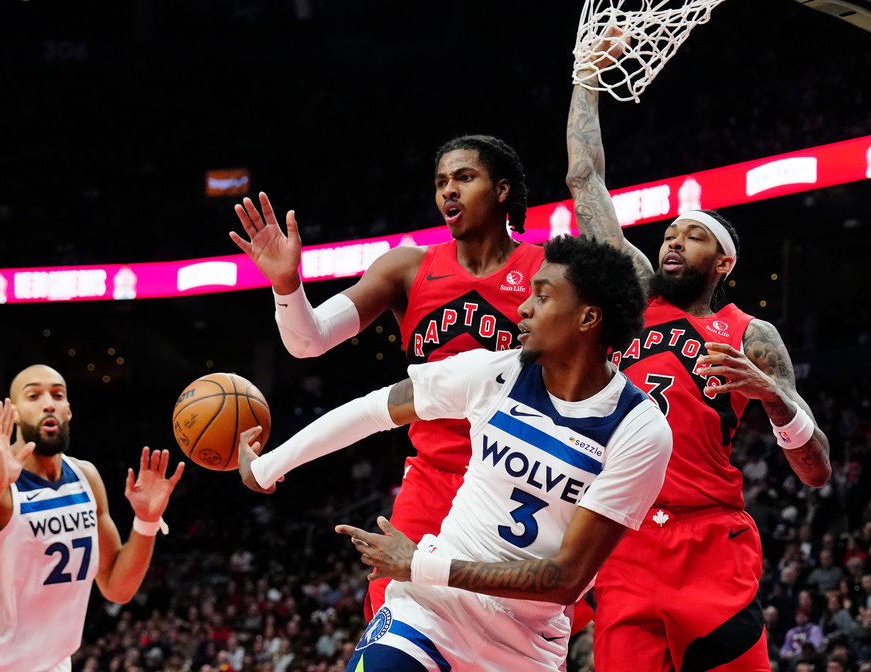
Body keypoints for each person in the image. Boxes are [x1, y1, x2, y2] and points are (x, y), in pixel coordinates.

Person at [239, 235, 673, 671]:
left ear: (588, 318)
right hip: (430, 612)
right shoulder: (494, 372)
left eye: (542, 296)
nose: (523, 308)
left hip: (526, 644)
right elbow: (372, 410)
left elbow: (564, 579)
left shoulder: (639, 429)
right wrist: (267, 466)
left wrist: (422, 564)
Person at [564, 28, 832, 672]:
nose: (673, 242)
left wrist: (771, 396)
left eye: (693, 236)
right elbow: (584, 176)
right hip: (622, 536)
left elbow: (817, 470)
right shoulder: (633, 293)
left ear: (725, 262)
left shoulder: (751, 335)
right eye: (670, 233)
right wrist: (586, 80)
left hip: (709, 536)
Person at [230, 135, 546, 620]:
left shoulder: (549, 273)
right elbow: (308, 341)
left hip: (521, 479)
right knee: (394, 624)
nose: (449, 192)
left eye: (465, 178)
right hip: (432, 477)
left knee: (513, 632)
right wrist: (286, 285)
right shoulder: (408, 267)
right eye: (441, 182)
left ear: (502, 190)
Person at [0, 364, 185, 672]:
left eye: (57, 395)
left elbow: (116, 588)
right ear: (13, 413)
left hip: (50, 665)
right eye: (33, 395)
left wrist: (146, 521)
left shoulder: (86, 478)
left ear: (68, 411)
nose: (48, 402)